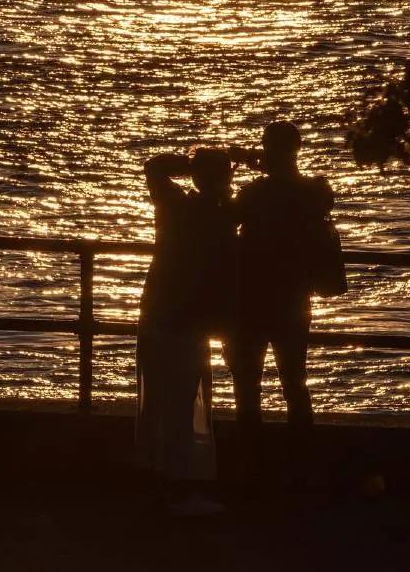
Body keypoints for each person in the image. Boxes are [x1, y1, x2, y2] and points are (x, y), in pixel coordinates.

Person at [225, 121, 338, 473]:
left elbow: (228, 217)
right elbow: (311, 193)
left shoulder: (255, 194)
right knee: (295, 383)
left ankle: (250, 464)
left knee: (247, 386)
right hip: (294, 299)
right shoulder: (313, 192)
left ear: (268, 148)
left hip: (251, 300)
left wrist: (246, 165)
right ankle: (302, 463)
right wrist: (262, 163)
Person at [136, 147, 237, 517]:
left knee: (158, 400)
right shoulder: (219, 215)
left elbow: (154, 166)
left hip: (157, 310)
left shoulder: (174, 205)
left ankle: (160, 483)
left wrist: (194, 163)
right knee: (182, 404)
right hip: (189, 318)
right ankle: (179, 490)